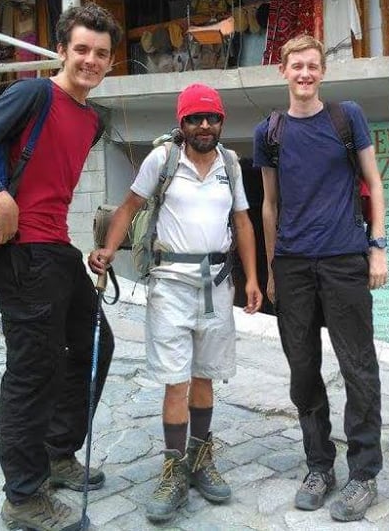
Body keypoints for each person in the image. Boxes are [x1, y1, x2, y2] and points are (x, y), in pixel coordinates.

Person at [0, 3, 121, 531]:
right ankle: (23, 497)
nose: (91, 60)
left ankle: (57, 452)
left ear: (111, 62)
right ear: (62, 51)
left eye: (101, 53)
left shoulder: (91, 119)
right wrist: (0, 198)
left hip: (56, 249)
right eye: (81, 49)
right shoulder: (34, 94)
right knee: (32, 372)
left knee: (94, 346)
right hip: (21, 252)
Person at [89, 82, 262, 523]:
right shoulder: (162, 159)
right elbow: (129, 206)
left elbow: (242, 221)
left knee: (205, 375)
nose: (204, 125)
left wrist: (252, 278)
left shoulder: (230, 164)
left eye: (212, 118)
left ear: (221, 121)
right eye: (194, 118)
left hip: (216, 285)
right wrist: (108, 250)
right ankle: (173, 468)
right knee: (176, 381)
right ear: (182, 123)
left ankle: (201, 459)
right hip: (170, 285)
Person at [253, 34, 388, 522]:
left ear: (322, 72)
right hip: (293, 265)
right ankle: (319, 466)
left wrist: (377, 247)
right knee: (303, 370)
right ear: (283, 71)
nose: (305, 74)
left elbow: (374, 183)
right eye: (297, 66)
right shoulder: (269, 132)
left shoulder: (346, 117)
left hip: (344, 259)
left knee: (358, 366)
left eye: (312, 66)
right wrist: (272, 268)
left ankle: (364, 473)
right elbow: (270, 206)